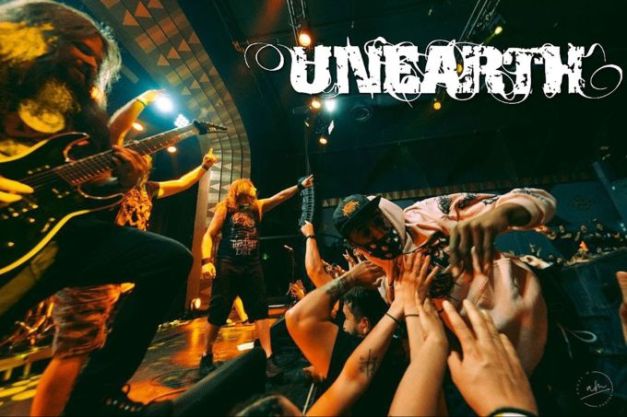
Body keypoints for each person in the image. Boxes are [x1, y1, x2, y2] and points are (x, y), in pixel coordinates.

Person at [0, 2, 193, 414]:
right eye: (78, 50)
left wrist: (121, 181)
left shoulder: (78, 118)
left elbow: (89, 180)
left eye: (95, 60)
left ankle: (94, 396)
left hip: (64, 234)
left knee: (169, 260)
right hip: (14, 242)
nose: (88, 62)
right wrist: (144, 100)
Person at [30, 90, 219, 417]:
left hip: (120, 276)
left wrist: (203, 167)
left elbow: (183, 183)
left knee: (93, 346)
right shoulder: (108, 179)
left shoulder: (147, 188)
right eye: (139, 155)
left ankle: (98, 397)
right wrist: (144, 99)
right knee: (73, 349)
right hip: (92, 267)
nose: (144, 159)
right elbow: (115, 132)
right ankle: (82, 402)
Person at [332, 189, 556, 374]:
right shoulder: (386, 283)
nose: (378, 233)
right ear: (356, 245)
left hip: (540, 316)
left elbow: (539, 199)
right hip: (501, 365)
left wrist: (502, 214)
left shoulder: (428, 213)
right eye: (365, 233)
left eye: (377, 220)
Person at [200, 175, 314, 377]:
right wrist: (206, 261)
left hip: (251, 265)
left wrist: (299, 186)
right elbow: (209, 234)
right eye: (250, 189)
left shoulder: (257, 207)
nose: (254, 192)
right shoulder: (225, 208)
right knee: (218, 310)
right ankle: (206, 355)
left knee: (260, 310)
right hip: (228, 264)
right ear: (241, 191)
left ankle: (268, 357)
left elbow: (280, 197)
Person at [285, 258, 408, 415]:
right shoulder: (401, 346)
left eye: (347, 318)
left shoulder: (351, 355)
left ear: (364, 325)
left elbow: (298, 317)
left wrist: (352, 277)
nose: (342, 325)